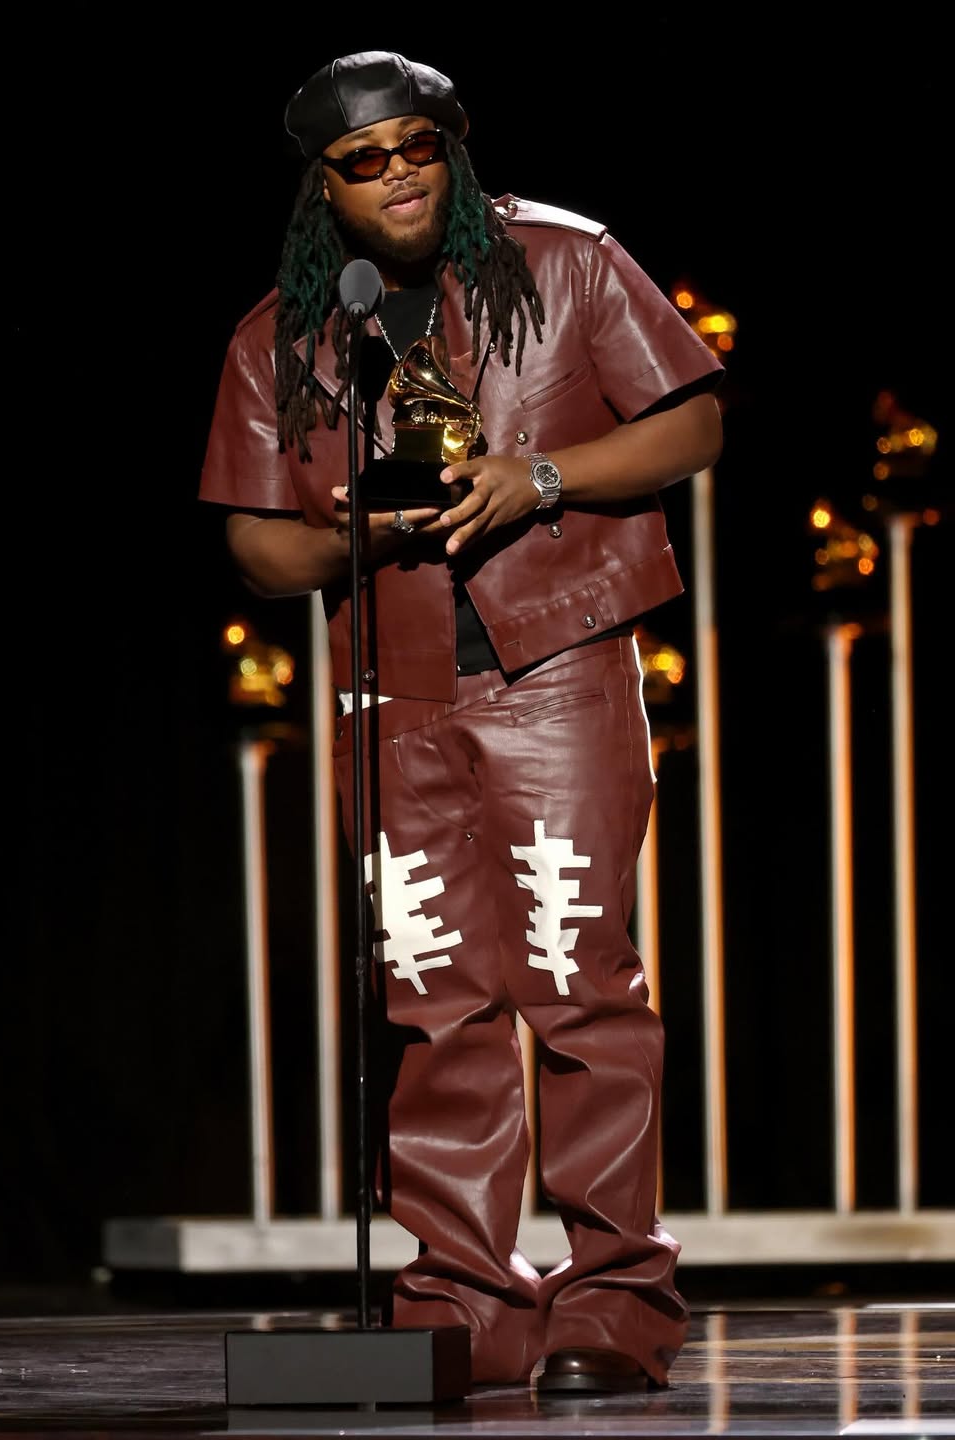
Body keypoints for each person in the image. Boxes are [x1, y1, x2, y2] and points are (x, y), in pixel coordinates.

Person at [199, 49, 724, 1393]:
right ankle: (466, 1303)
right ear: (323, 186)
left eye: (418, 146)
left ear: (456, 144)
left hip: (559, 665)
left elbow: (693, 424)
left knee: (580, 986)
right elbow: (258, 550)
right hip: (395, 688)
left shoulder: (569, 262)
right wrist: (368, 534)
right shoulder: (283, 334)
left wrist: (537, 477)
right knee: (433, 1001)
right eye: (363, 162)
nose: (398, 176)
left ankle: (616, 1305)